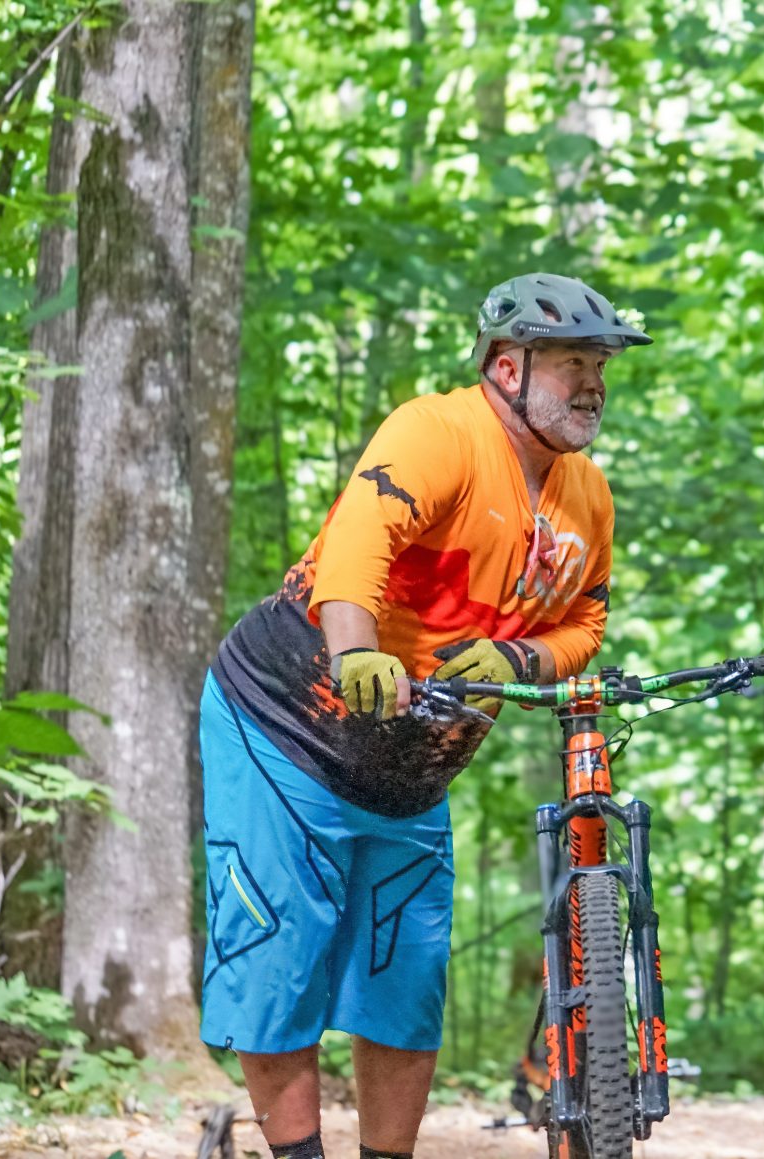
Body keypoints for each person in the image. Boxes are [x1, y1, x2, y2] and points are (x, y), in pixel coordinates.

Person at [198, 274, 648, 1159]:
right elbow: (360, 545)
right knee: (279, 958)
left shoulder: (587, 495)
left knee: (404, 982)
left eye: (600, 366)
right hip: (284, 728)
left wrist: (521, 659)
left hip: (411, 767)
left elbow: (585, 619)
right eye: (572, 364)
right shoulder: (439, 432)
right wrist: (358, 648)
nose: (593, 382)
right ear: (507, 368)